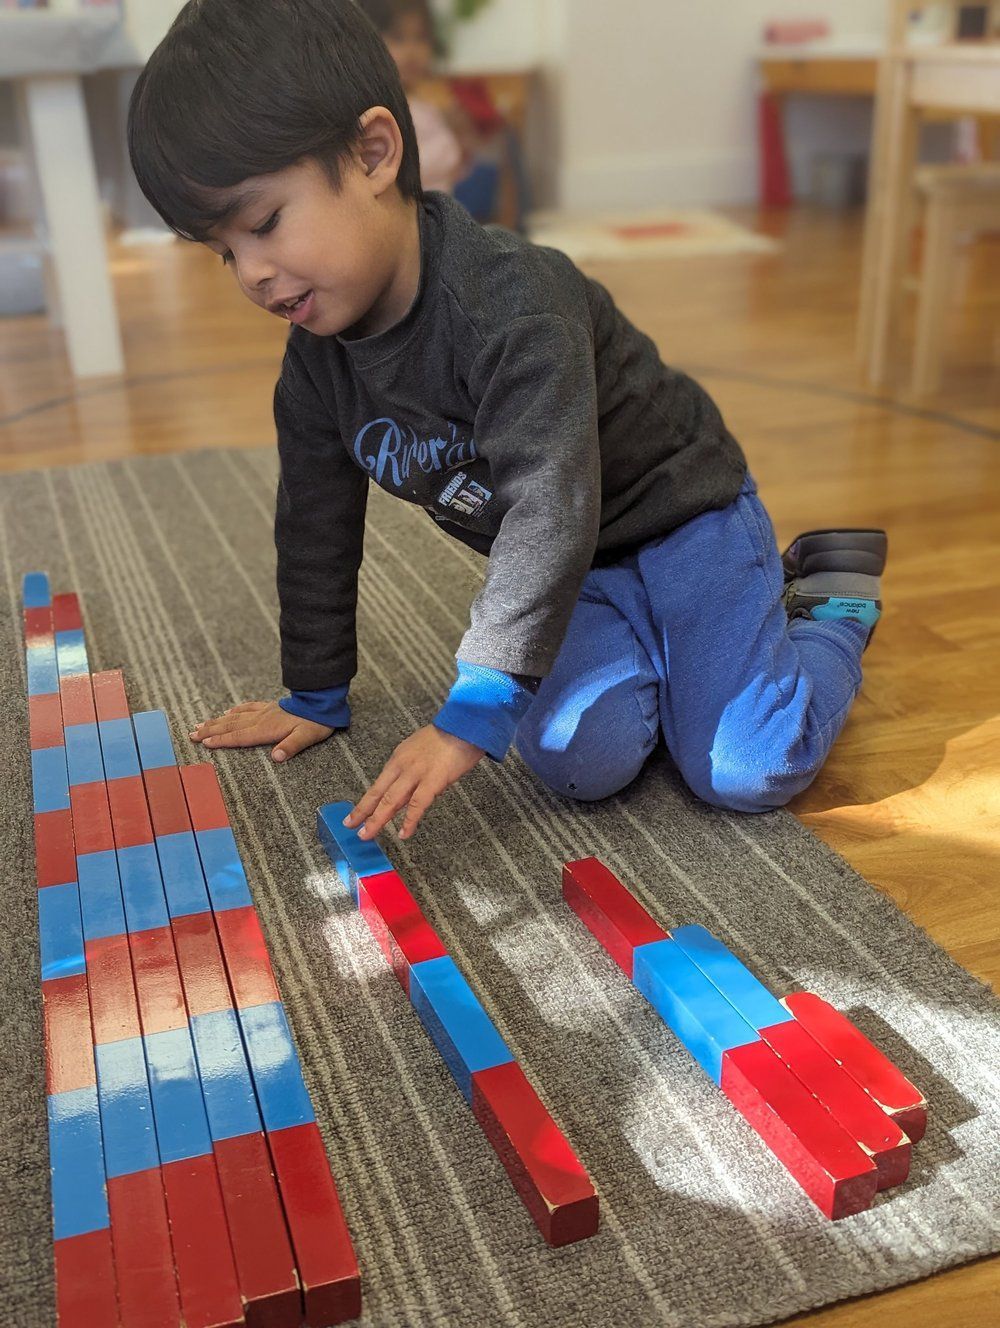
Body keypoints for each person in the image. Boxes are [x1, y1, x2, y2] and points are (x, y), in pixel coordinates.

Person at [127, 0, 887, 845]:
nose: (255, 274)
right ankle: (688, 651)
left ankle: (825, 611)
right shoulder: (316, 365)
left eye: (265, 222)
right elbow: (315, 525)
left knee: (746, 769)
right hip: (578, 567)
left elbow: (548, 506)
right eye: (226, 251)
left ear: (375, 153)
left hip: (682, 517)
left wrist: (471, 712)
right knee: (575, 762)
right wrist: (315, 692)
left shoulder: (513, 302)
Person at [355, 0, 469, 196]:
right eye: (398, 38)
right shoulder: (379, 111)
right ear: (372, 42)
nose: (412, 51)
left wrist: (458, 133)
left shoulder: (429, 106)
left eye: (421, 38)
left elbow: (454, 171)